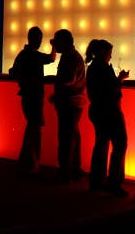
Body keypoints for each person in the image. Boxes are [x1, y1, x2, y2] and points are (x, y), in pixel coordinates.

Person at [9, 26, 56, 177]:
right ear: (36, 39)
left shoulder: (22, 54)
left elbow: (13, 71)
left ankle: (28, 163)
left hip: (26, 95)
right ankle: (31, 164)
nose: (40, 41)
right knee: (34, 129)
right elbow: (51, 58)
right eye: (39, 39)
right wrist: (54, 45)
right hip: (35, 96)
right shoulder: (34, 56)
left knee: (32, 128)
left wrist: (23, 81)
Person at [85, 39, 130, 196]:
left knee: (101, 144)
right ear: (104, 52)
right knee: (120, 143)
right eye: (110, 53)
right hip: (109, 110)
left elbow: (96, 91)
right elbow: (108, 89)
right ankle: (114, 181)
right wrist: (120, 79)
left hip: (98, 110)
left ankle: (97, 180)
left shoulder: (92, 68)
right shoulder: (103, 68)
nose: (111, 56)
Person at [49, 28, 87, 183]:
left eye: (56, 41)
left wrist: (55, 82)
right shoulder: (73, 55)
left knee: (66, 138)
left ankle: (65, 172)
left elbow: (68, 79)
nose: (55, 44)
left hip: (69, 102)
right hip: (75, 102)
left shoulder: (69, 57)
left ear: (63, 42)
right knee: (72, 136)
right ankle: (74, 169)